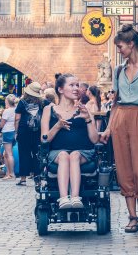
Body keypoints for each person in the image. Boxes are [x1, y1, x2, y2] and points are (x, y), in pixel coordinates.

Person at [100, 24, 138, 233]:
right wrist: (108, 128)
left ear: (131, 44)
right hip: (120, 120)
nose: (119, 50)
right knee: (124, 168)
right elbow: (115, 103)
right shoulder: (118, 70)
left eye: (120, 46)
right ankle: (133, 217)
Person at [40, 73, 99, 209]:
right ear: (60, 89)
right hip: (57, 153)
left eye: (77, 85)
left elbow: (95, 139)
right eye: (71, 85)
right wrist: (58, 125)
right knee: (63, 155)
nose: (76, 88)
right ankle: (63, 198)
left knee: (74, 155)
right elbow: (44, 139)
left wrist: (87, 119)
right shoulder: (49, 110)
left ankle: (75, 197)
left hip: (83, 152)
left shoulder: (85, 109)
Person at [15, 82, 44, 185]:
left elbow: (17, 119)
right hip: (37, 131)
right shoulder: (42, 102)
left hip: (24, 132)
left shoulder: (22, 102)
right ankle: (38, 180)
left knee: (23, 154)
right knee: (37, 154)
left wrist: (16, 132)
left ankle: (23, 179)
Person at [0, 94, 17, 179]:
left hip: (7, 132)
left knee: (9, 154)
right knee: (6, 153)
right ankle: (7, 173)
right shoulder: (16, 110)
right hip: (14, 132)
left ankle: (11, 173)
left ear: (7, 102)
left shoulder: (7, 111)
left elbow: (2, 123)